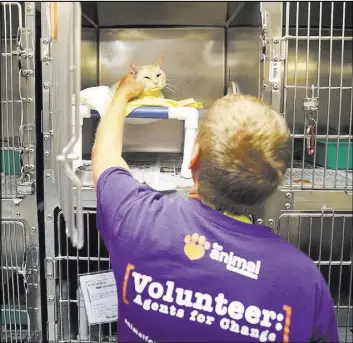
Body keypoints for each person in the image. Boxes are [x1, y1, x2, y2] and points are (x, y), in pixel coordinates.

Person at [92, 73, 339, 343]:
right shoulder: (303, 280)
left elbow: (106, 157)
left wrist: (123, 94)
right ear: (274, 182)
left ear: (193, 157)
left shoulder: (140, 220)